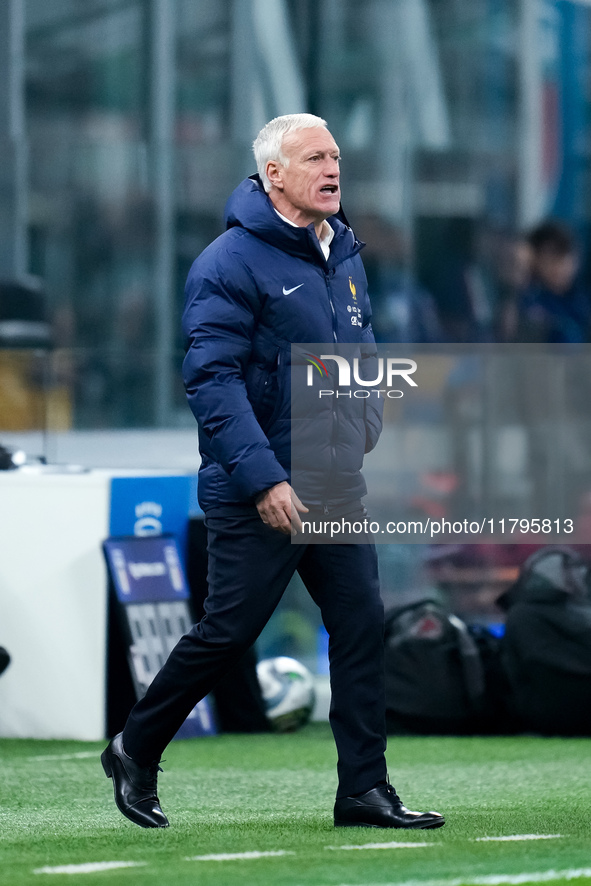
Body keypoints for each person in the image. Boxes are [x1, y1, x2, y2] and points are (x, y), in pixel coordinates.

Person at [101, 113, 444, 831]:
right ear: (274, 175)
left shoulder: (342, 249)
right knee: (229, 631)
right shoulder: (227, 263)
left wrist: (367, 418)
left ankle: (363, 789)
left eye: (336, 156)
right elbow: (211, 382)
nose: (332, 168)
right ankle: (135, 745)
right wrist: (263, 478)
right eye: (314, 157)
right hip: (263, 488)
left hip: (335, 480)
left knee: (358, 625)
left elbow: (361, 344)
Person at [516, 219, 591, 343]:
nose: (558, 267)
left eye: (563, 257)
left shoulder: (582, 300)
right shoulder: (530, 301)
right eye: (549, 258)